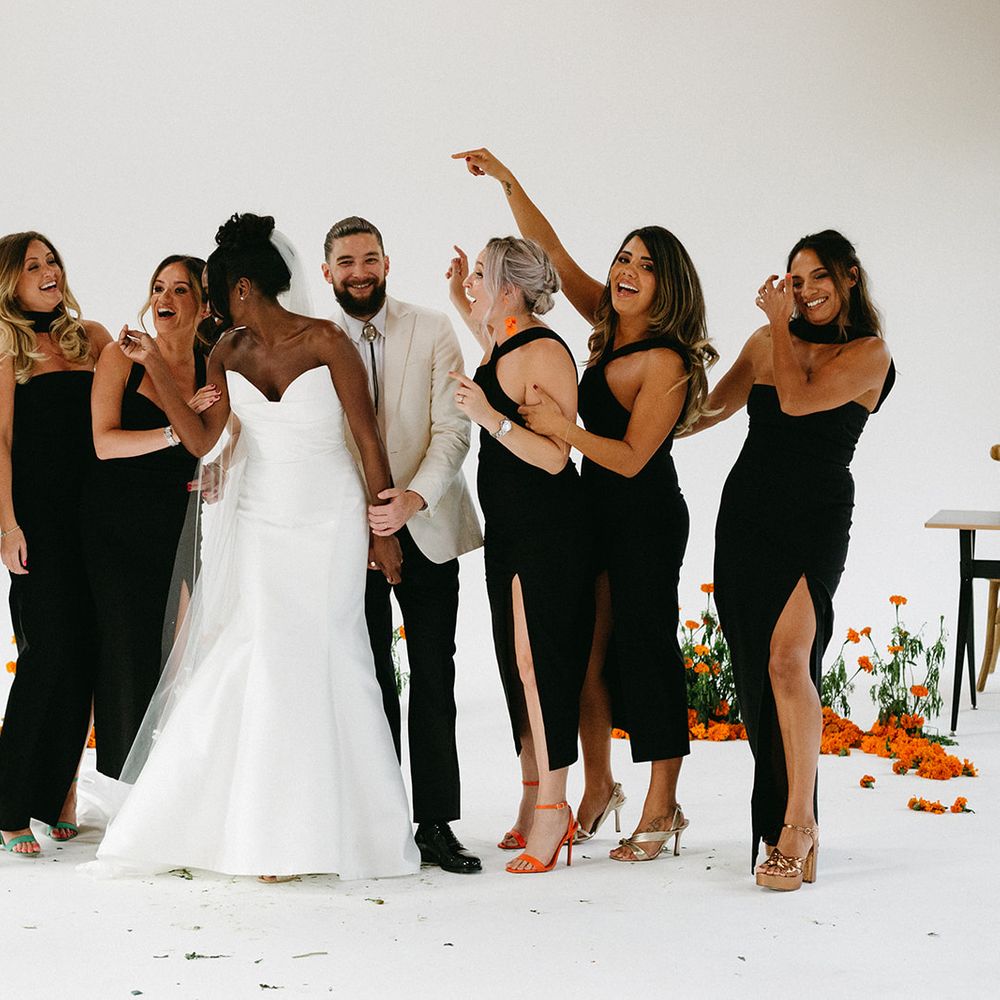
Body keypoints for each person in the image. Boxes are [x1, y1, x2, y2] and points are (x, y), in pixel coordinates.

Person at [90, 213, 418, 881]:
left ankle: (354, 832)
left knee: (332, 653)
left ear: (242, 286)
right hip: (261, 520)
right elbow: (205, 442)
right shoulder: (224, 354)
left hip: (329, 519)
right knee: (268, 654)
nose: (209, 306)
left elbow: (368, 440)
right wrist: (154, 368)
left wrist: (384, 533)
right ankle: (270, 836)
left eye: (213, 292)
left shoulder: (327, 341)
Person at [453, 148, 717, 862]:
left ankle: (662, 807)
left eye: (645, 266)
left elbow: (631, 459)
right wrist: (508, 183)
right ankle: (597, 787)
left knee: (646, 649)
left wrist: (563, 431)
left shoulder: (666, 361)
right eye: (623, 258)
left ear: (668, 286)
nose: (626, 271)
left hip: (643, 516)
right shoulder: (605, 317)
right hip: (587, 512)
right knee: (588, 658)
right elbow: (554, 254)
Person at [692, 230, 893, 890]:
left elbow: (799, 398)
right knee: (758, 674)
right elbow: (710, 410)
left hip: (814, 519)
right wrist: (651, 402)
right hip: (747, 515)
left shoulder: (870, 354)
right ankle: (781, 816)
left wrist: (777, 323)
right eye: (795, 280)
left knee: (788, 659)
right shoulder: (764, 342)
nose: (805, 292)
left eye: (818, 277)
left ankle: (800, 824)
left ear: (850, 276)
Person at [322, 217, 483, 874]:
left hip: (428, 525)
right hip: (348, 536)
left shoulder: (434, 329)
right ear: (327, 273)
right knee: (369, 680)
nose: (359, 272)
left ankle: (436, 823)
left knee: (435, 675)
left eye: (369, 259)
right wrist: (363, 521)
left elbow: (454, 430)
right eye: (346, 262)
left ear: (387, 263)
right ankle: (380, 819)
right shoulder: (314, 340)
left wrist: (412, 499)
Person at [447, 236, 590, 873]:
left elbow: (556, 458)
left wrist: (489, 418)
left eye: (481, 274)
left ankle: (556, 809)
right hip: (508, 528)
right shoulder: (502, 338)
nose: (473, 282)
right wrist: (458, 291)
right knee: (514, 660)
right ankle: (533, 794)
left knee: (539, 663)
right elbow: (486, 337)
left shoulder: (545, 352)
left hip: (549, 528)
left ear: (509, 288)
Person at [83, 256, 220, 779]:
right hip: (116, 527)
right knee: (127, 654)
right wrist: (175, 432)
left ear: (204, 307)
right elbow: (104, 443)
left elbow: (214, 443)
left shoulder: (212, 364)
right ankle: (121, 787)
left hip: (180, 523)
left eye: (181, 290)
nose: (165, 298)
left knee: (178, 655)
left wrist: (214, 470)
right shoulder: (123, 356)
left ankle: (168, 782)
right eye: (159, 287)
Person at [0, 231, 111, 855]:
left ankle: (57, 794)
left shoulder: (91, 337)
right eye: (32, 266)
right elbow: (0, 441)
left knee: (87, 656)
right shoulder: (5, 344)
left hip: (95, 519)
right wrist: (7, 526)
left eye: (52, 261)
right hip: (37, 522)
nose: (49, 271)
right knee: (46, 654)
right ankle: (9, 805)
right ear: (9, 282)